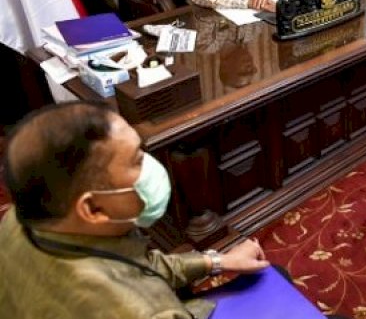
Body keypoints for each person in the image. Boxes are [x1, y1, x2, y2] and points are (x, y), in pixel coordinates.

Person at [0, 101, 270, 318]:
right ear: (93, 209)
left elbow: (134, 265)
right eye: (137, 161)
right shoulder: (144, 311)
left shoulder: (20, 220)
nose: (151, 168)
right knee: (272, 279)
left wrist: (218, 261)